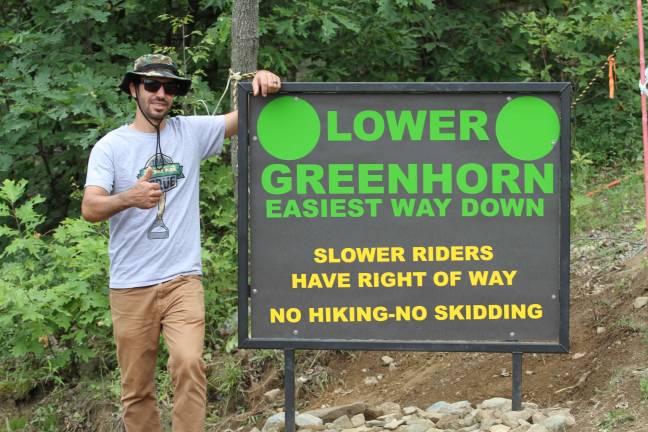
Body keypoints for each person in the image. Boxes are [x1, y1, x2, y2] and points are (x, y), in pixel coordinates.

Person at [81, 54, 281, 432]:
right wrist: (128, 197)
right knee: (136, 388)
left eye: (170, 88)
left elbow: (244, 116)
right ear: (133, 89)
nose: (162, 94)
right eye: (152, 85)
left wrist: (265, 80)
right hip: (130, 285)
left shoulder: (189, 132)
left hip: (182, 279)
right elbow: (90, 207)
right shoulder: (111, 147)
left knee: (189, 364)